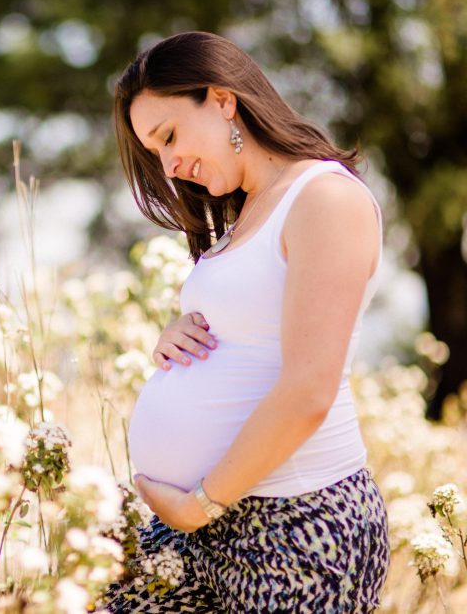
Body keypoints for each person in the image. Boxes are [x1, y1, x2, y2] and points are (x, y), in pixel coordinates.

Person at [101, 31, 390, 613]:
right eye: (156, 152)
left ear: (223, 99)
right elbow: (251, 333)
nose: (169, 164)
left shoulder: (325, 199)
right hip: (207, 527)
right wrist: (177, 338)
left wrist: (200, 504)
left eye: (170, 136)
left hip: (297, 529)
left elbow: (310, 388)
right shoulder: (246, 212)